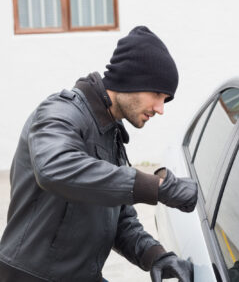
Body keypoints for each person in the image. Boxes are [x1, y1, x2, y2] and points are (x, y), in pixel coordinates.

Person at [0, 26, 198, 282]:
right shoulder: (60, 113)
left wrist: (156, 256)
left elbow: (120, 221)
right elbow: (54, 167)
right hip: (32, 276)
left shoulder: (111, 135)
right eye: (157, 95)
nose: (160, 109)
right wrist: (157, 187)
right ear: (132, 80)